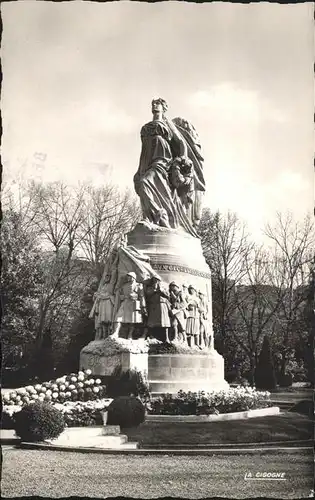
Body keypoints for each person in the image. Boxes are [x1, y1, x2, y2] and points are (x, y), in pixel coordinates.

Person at [133, 98, 205, 235]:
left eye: (157, 103)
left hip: (161, 160)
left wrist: (183, 159)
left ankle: (159, 214)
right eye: (152, 103)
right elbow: (144, 150)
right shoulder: (146, 127)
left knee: (145, 183)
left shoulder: (168, 124)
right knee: (142, 186)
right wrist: (139, 169)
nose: (154, 105)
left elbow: (181, 143)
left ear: (164, 108)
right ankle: (154, 219)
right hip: (146, 162)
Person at [111, 272, 146, 339]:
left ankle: (130, 335)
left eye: (129, 276)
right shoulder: (124, 286)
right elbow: (119, 294)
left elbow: (141, 296)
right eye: (128, 276)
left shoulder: (138, 285)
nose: (128, 278)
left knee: (132, 321)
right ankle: (116, 333)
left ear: (133, 277)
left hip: (133, 304)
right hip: (125, 303)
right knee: (118, 318)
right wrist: (122, 296)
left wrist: (142, 305)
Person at [144, 275, 171, 343]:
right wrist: (154, 290)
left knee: (165, 323)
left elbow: (168, 295)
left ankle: (167, 338)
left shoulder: (164, 287)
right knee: (151, 322)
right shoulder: (150, 288)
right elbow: (147, 294)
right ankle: (151, 336)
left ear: (159, 281)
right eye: (154, 279)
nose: (155, 281)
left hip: (162, 305)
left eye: (157, 280)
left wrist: (161, 290)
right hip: (153, 305)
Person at [89, 274, 115, 340]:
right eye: (106, 277)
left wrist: (101, 295)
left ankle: (109, 334)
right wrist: (96, 295)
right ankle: (104, 335)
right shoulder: (103, 286)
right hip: (102, 304)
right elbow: (99, 294)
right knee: (102, 320)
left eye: (108, 277)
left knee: (108, 319)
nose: (106, 279)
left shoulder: (111, 286)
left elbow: (110, 293)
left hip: (108, 302)